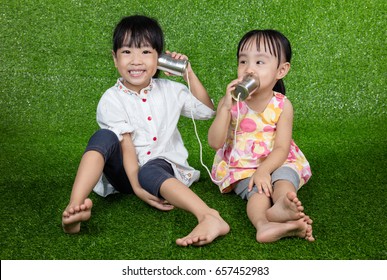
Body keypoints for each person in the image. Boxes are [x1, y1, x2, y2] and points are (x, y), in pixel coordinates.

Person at [62, 15, 229, 246]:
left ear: (159, 58)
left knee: (150, 169)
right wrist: (138, 188)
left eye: (145, 52)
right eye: (127, 52)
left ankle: (208, 216)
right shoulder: (111, 98)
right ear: (115, 58)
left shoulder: (172, 90)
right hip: (124, 174)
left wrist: (187, 72)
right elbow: (126, 145)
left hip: (160, 170)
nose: (136, 61)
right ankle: (75, 207)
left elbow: (208, 111)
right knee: (103, 136)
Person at [208, 29, 314, 243]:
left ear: (281, 70)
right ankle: (263, 224)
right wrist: (225, 109)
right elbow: (214, 142)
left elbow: (282, 148)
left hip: (276, 159)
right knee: (257, 191)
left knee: (284, 179)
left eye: (259, 62)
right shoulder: (229, 103)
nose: (249, 69)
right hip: (242, 165)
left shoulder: (282, 105)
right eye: (243, 61)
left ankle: (282, 206)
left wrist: (265, 170)